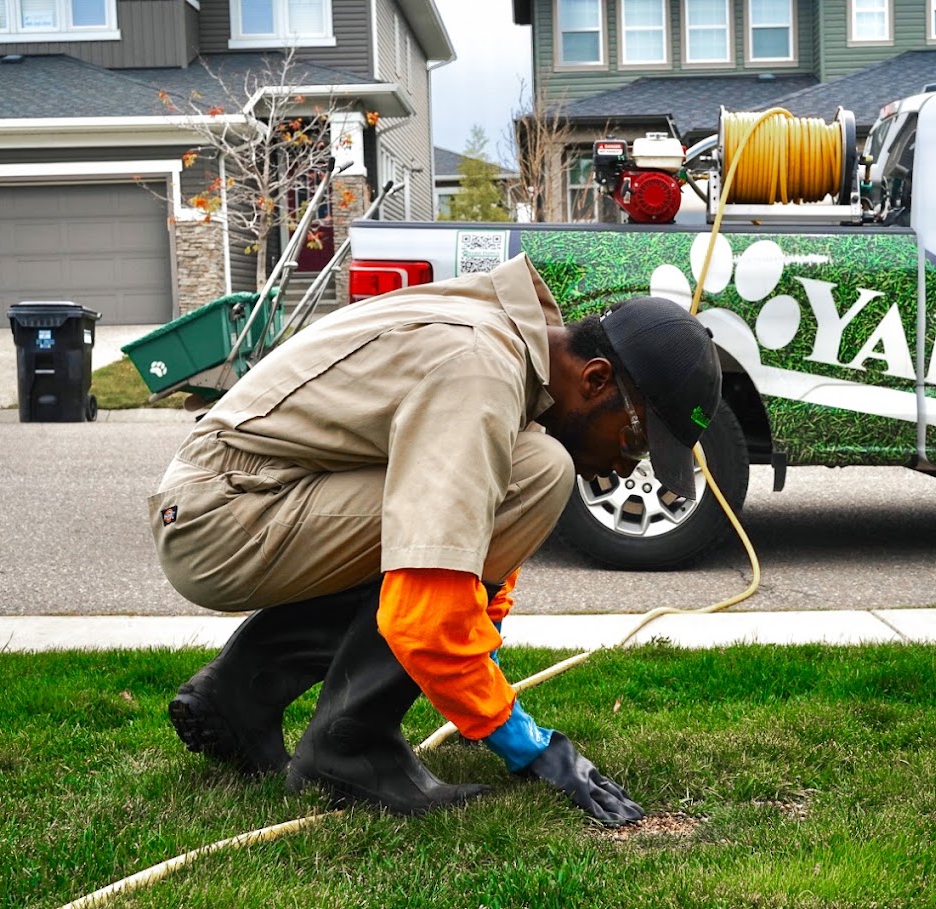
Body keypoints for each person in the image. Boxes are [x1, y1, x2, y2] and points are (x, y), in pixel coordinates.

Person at [149, 253, 722, 826]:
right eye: (635, 440)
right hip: (220, 519)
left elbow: (474, 546)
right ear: (595, 379)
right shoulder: (479, 368)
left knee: (516, 478)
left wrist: (482, 649)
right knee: (536, 474)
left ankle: (239, 695)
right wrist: (532, 746)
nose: (627, 469)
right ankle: (351, 750)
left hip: (237, 498)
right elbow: (425, 611)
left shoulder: (507, 339)